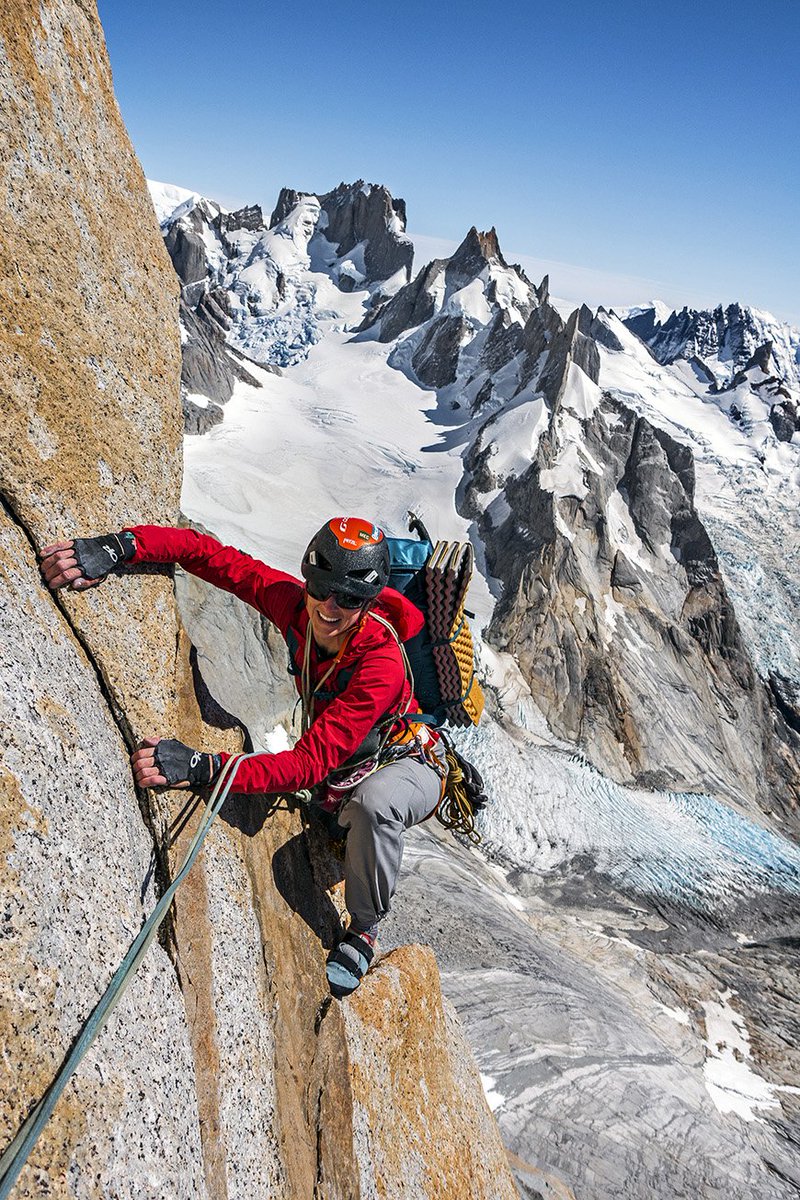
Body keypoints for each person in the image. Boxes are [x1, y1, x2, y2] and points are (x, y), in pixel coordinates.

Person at [39, 518, 447, 998]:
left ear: (370, 601)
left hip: (409, 764)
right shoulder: (295, 605)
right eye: (322, 589)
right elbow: (209, 557)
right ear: (308, 580)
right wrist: (121, 546)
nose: (331, 608)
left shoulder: (379, 662)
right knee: (350, 805)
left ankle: (363, 930)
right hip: (346, 762)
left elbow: (305, 766)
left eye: (351, 599)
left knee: (375, 805)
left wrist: (203, 768)